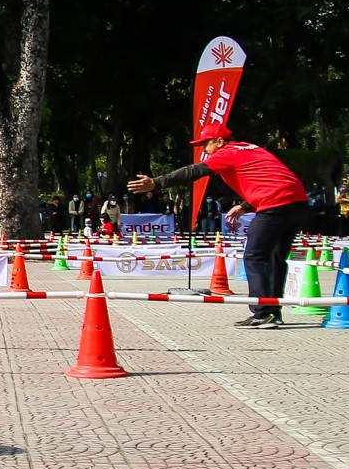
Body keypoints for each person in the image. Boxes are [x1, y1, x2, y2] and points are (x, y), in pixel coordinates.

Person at [129, 120, 308, 327]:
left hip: (274, 205)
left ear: (220, 141)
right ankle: (273, 311)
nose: (205, 150)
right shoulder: (252, 149)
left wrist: (157, 182)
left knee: (255, 256)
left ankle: (263, 313)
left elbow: (194, 171)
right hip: (298, 204)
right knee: (276, 257)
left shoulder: (227, 153)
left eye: (207, 144)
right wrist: (245, 206)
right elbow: (272, 178)